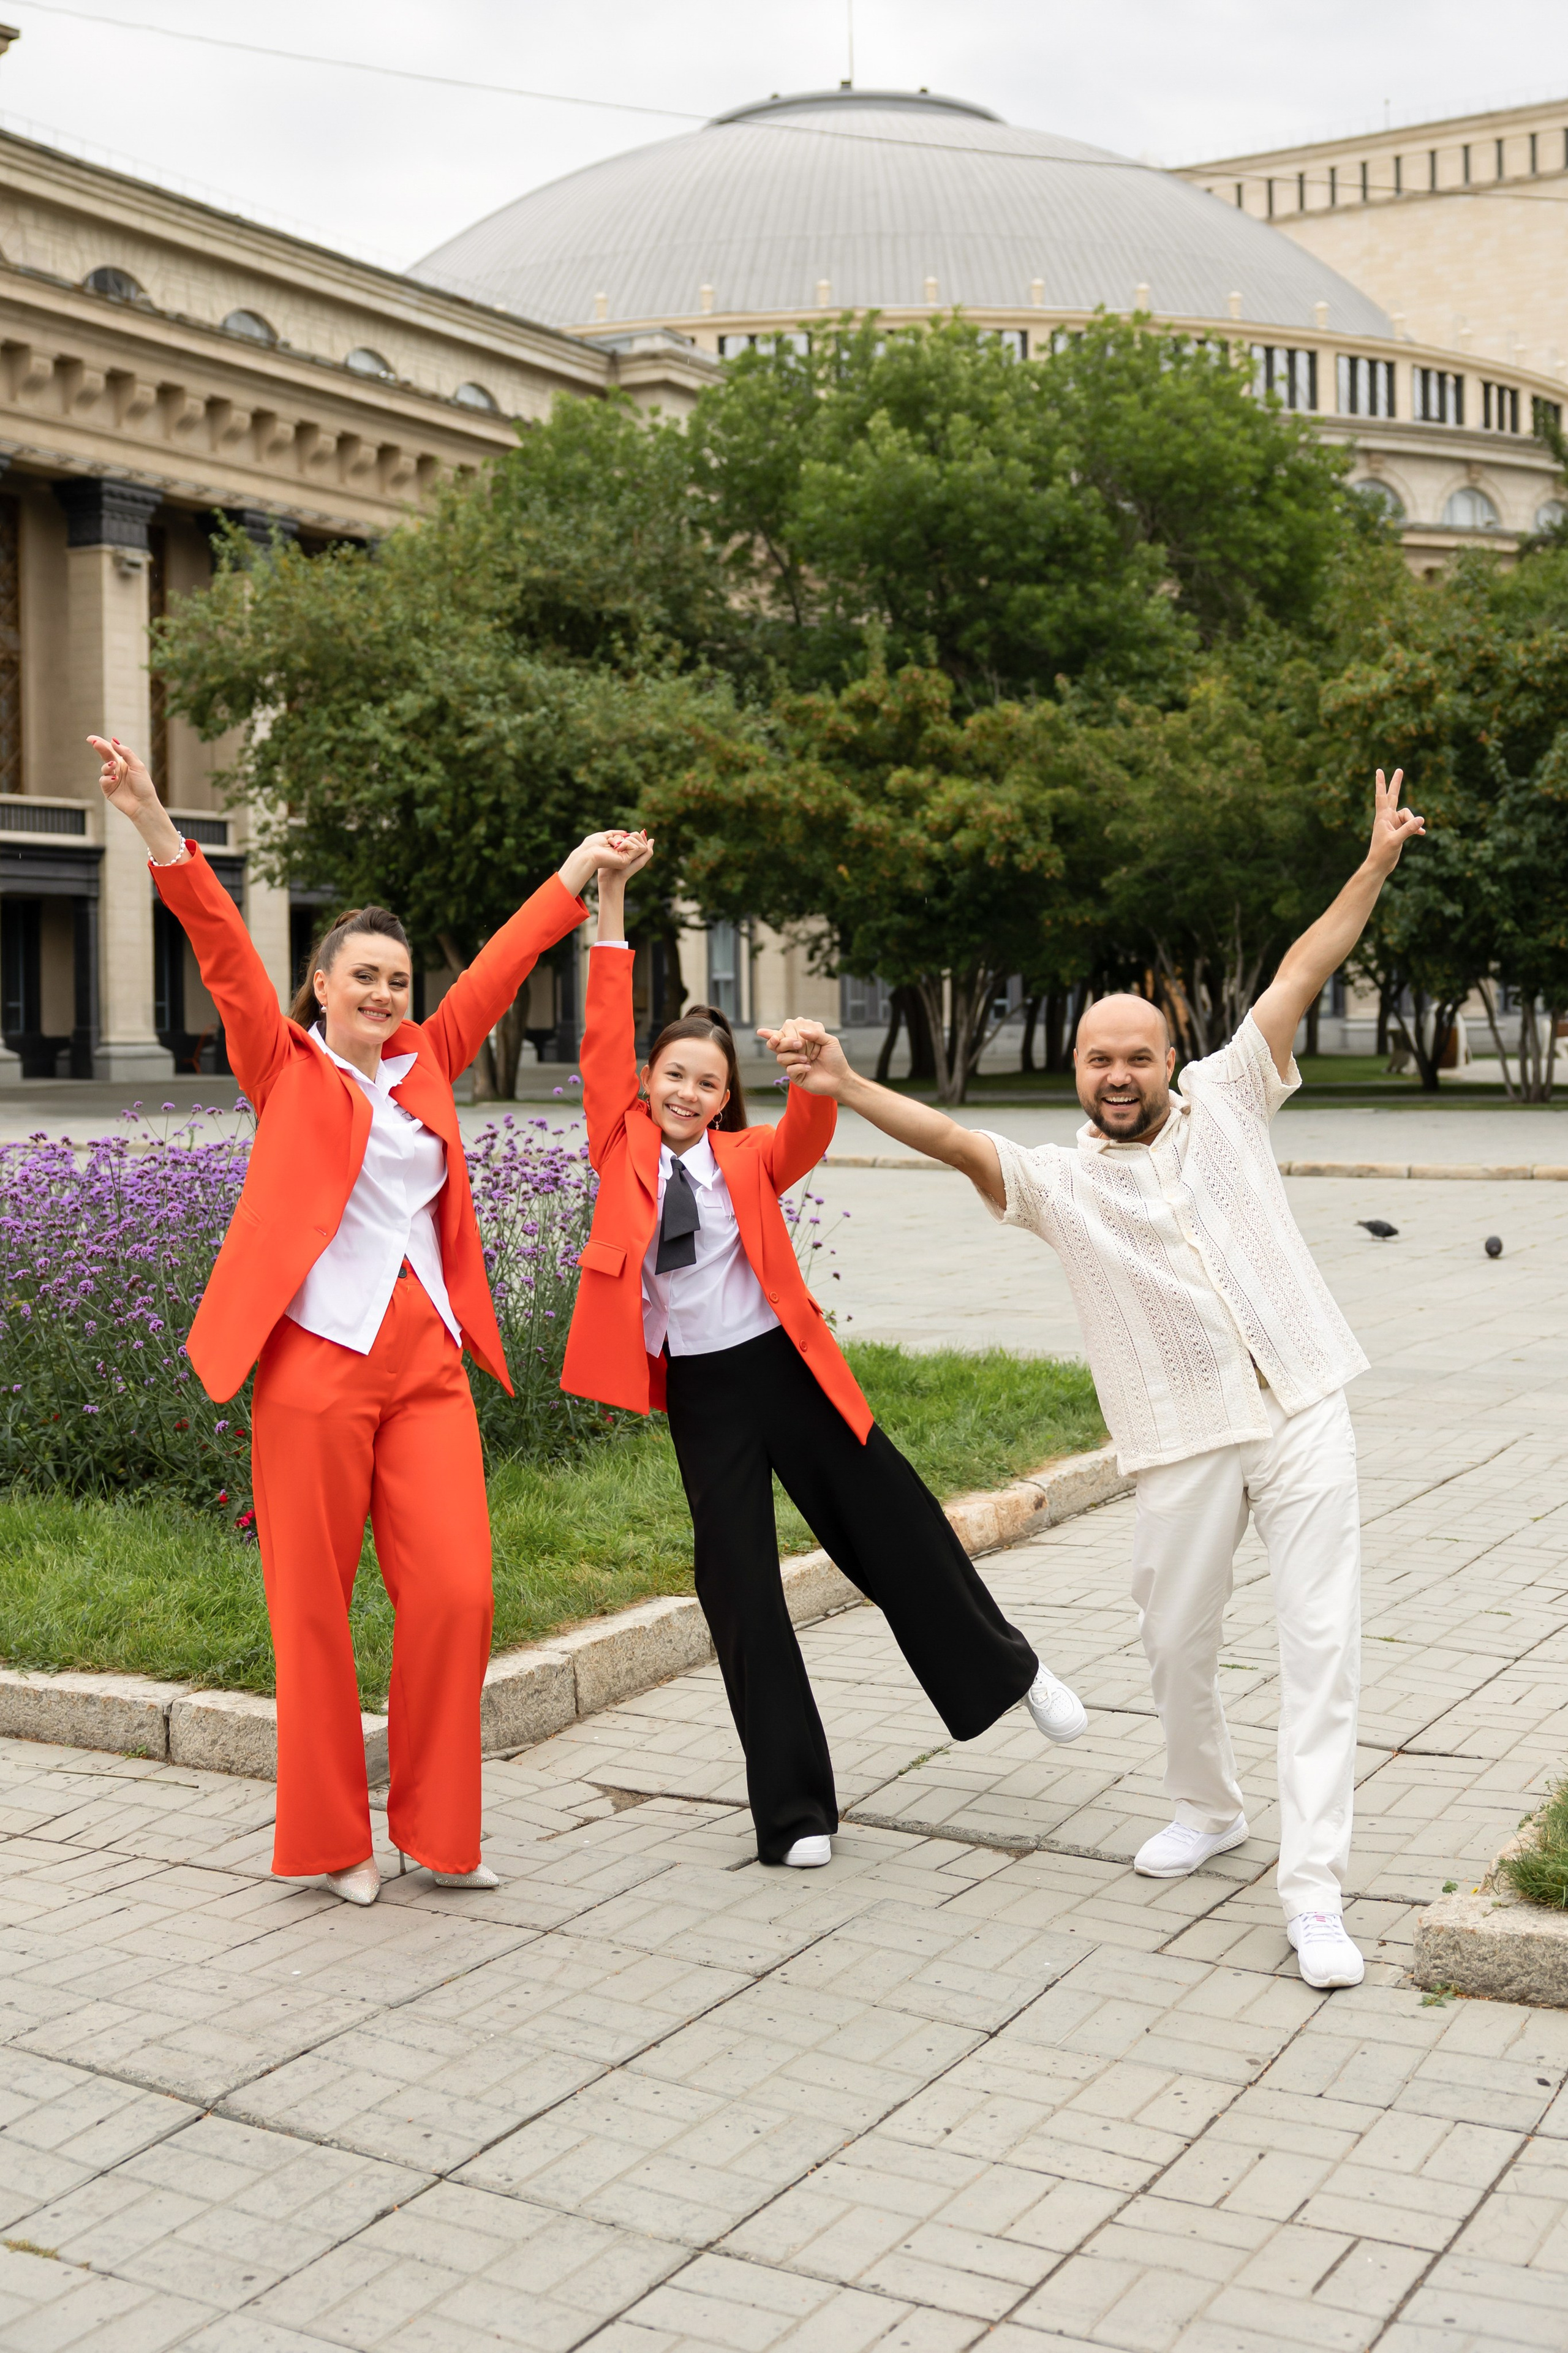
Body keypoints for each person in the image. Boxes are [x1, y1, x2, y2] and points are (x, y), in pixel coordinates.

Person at [764, 769, 1426, 1989]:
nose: (1116, 1073)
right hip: (1180, 1437)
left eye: (1136, 1054)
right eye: (1094, 1059)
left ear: (1172, 1057)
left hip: (1301, 1406)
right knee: (1174, 1644)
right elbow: (962, 1140)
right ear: (1074, 1071)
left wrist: (1375, 861)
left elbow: (1300, 969)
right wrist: (846, 1088)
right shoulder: (1059, 1186)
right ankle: (1208, 1806)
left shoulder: (1231, 1098)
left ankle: (1312, 1889)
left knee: (1319, 1645)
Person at [88, 733, 640, 1906]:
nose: (387, 994)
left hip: (426, 1361)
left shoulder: (431, 1060)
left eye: (398, 980)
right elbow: (223, 948)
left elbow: (498, 963)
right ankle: (334, 1840)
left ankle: (439, 1830)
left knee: (457, 1591)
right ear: (323, 988)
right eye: (365, 979)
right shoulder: (280, 1065)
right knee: (313, 1610)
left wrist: (581, 869)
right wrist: (148, 818)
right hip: (309, 1366)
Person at [560, 837, 1087, 1869]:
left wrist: (811, 1060)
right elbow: (599, 1027)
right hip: (705, 1396)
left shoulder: (751, 1160)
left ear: (725, 1097)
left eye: (708, 1083)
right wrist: (609, 901)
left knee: (895, 1525)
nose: (687, 1093)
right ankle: (796, 1811)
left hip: (785, 1371)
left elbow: (808, 1125)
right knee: (742, 1595)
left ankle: (1014, 1672)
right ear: (649, 1080)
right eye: (673, 1075)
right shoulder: (615, 1142)